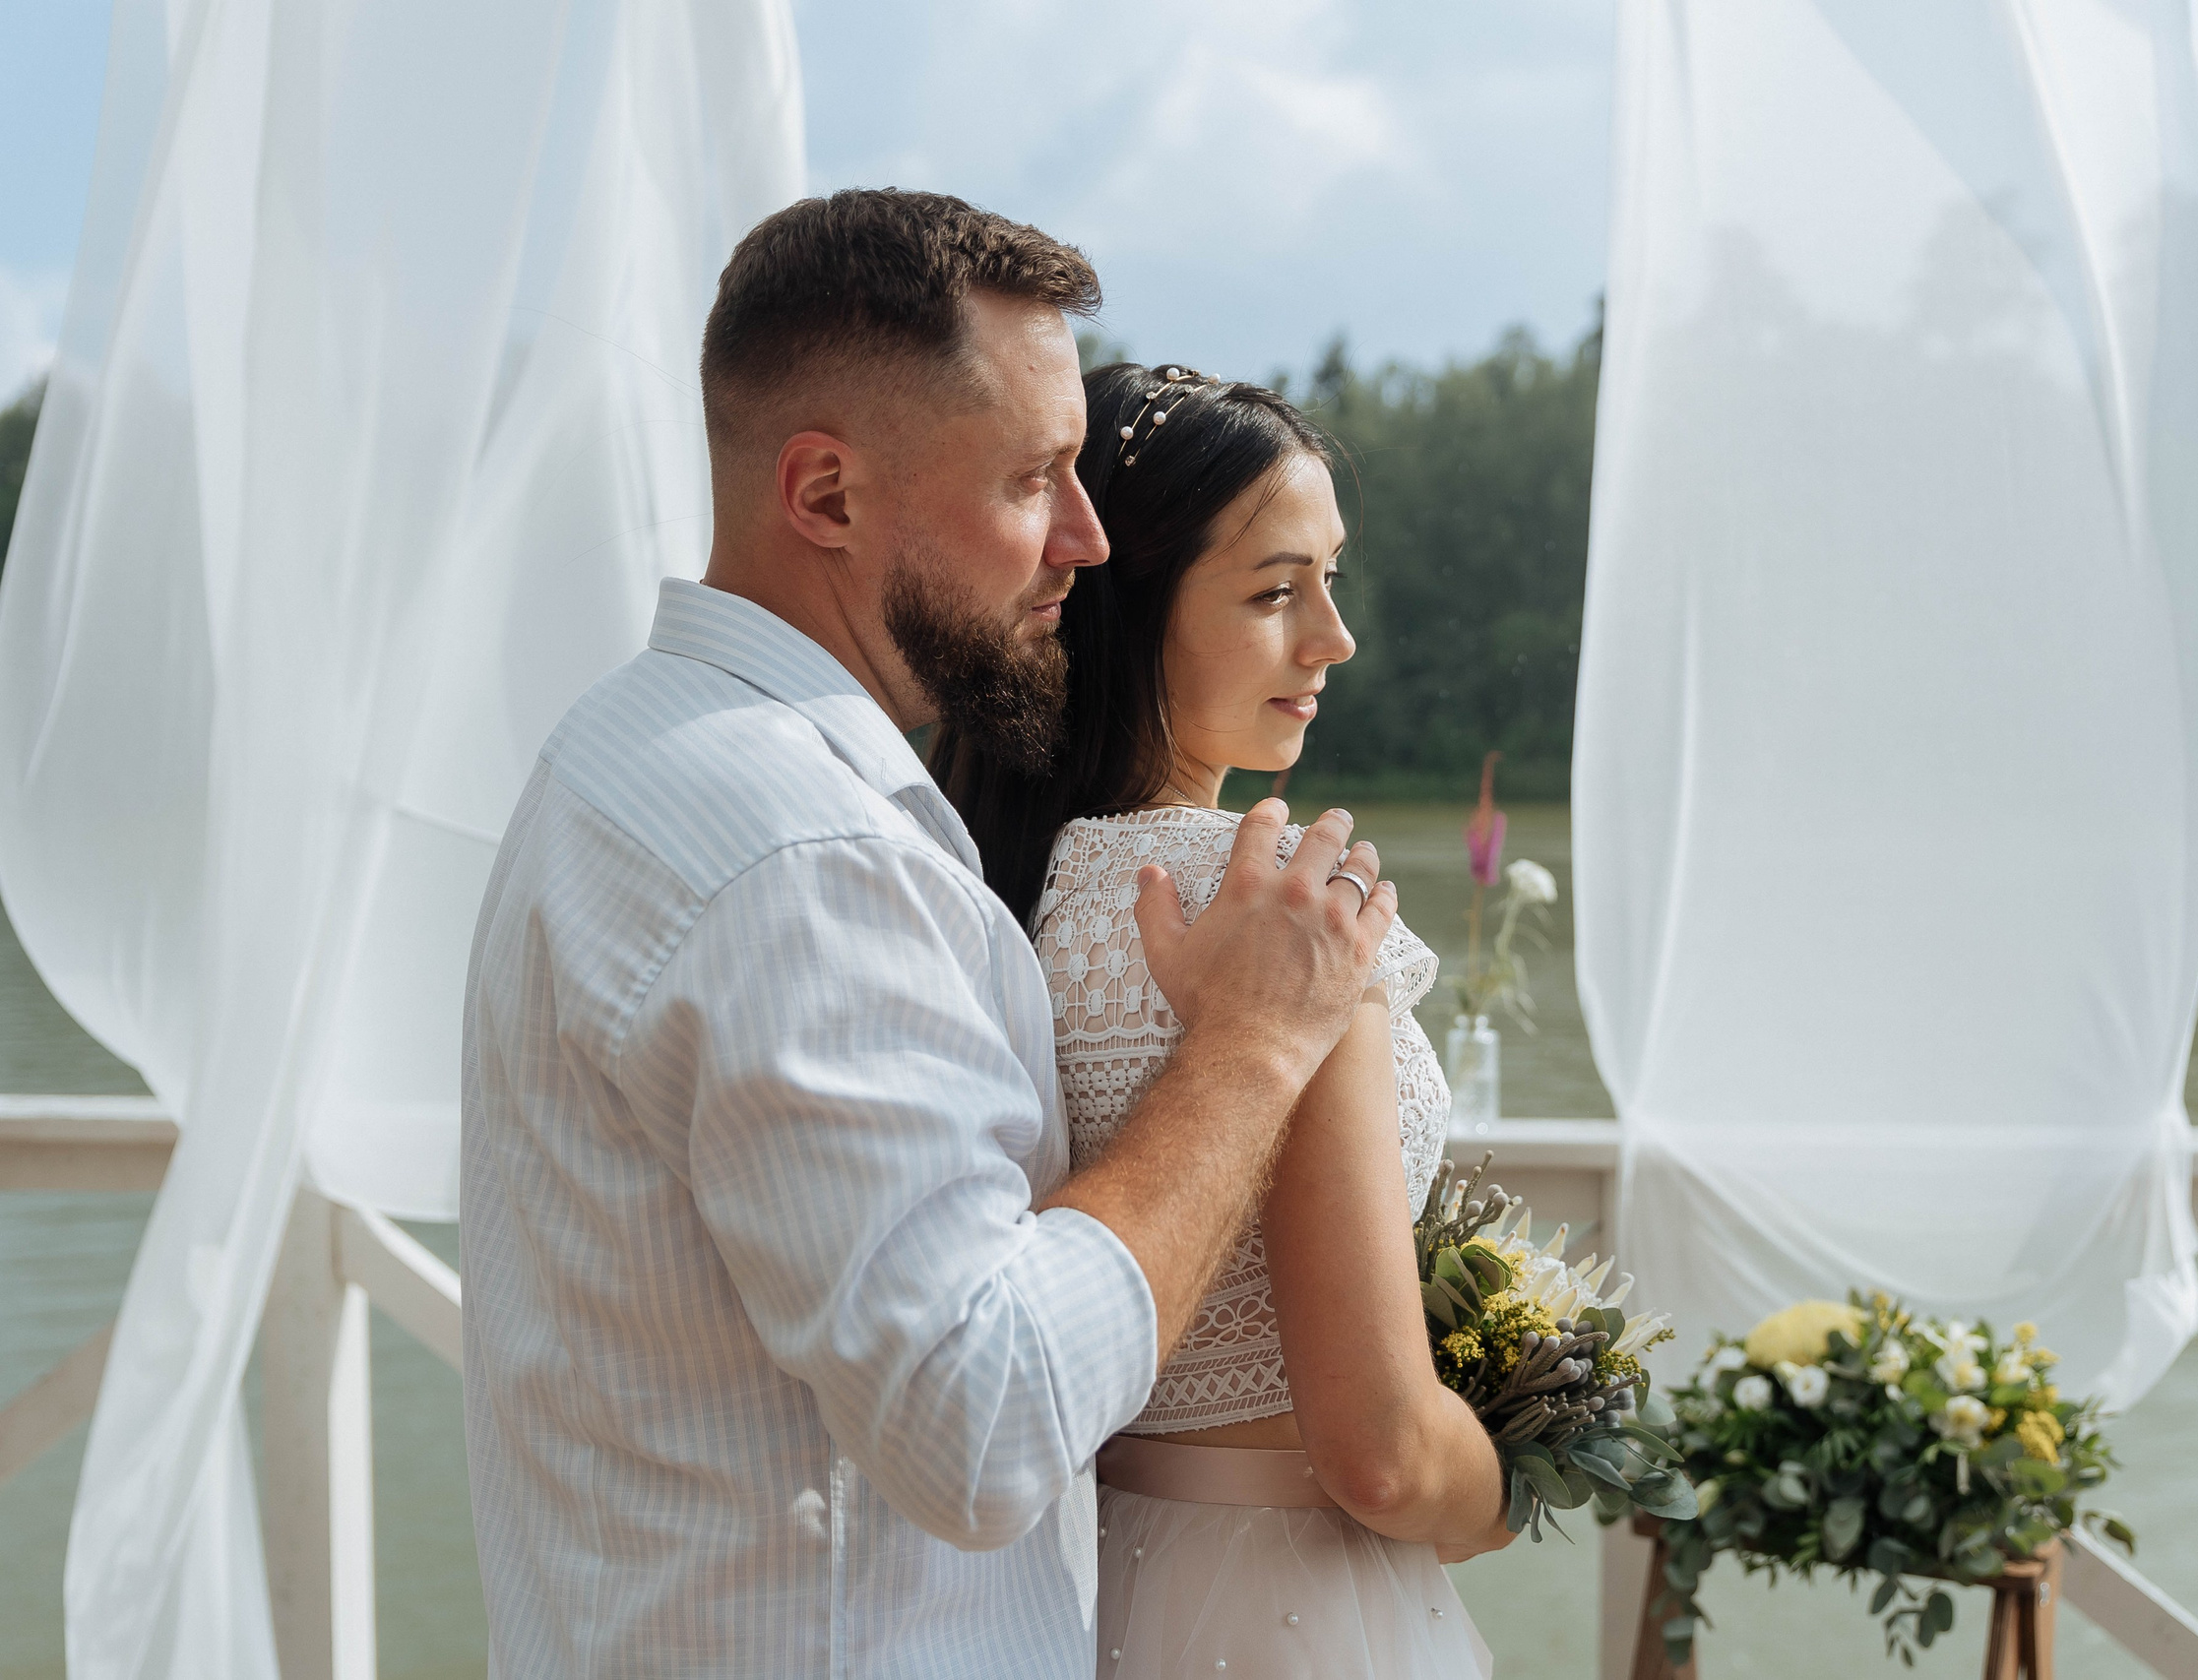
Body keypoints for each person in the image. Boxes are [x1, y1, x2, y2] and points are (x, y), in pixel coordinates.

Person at [460, 191, 1402, 1679]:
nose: (1086, 540)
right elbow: (987, 1419)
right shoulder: (800, 856)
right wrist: (1253, 1049)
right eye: (1033, 479)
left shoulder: (621, 755)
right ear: (825, 494)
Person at [935, 365, 1511, 1678]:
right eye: (1273, 593)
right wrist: (1505, 1481)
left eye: (1330, 581)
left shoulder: (979, 898)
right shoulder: (1285, 918)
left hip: (1062, 1594)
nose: (1333, 639)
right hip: (1295, 1608)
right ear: (1123, 610)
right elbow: (1381, 1453)